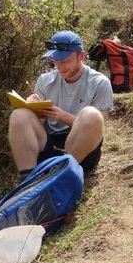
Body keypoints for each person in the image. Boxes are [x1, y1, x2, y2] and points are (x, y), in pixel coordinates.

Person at [8, 30, 113, 181]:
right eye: (55, 60)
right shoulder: (45, 80)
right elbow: (39, 125)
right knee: (19, 115)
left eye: (65, 61)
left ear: (81, 56)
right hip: (51, 145)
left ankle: (64, 176)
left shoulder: (99, 82)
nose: (59, 66)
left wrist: (62, 116)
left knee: (91, 114)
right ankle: (27, 181)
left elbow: (98, 125)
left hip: (82, 150)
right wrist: (33, 109)